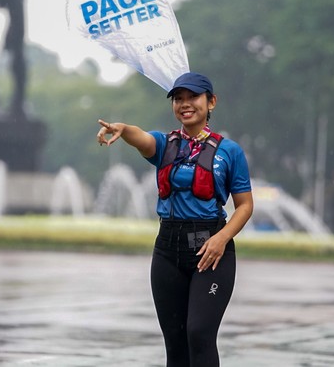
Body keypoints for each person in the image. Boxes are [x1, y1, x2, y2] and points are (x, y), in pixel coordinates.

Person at [96, 72, 254, 366]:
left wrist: (221, 239)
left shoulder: (230, 152)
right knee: (175, 341)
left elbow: (245, 206)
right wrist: (123, 129)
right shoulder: (164, 144)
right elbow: (141, 137)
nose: (185, 104)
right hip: (167, 251)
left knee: (199, 333)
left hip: (211, 252)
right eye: (178, 99)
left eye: (193, 97)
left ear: (211, 102)